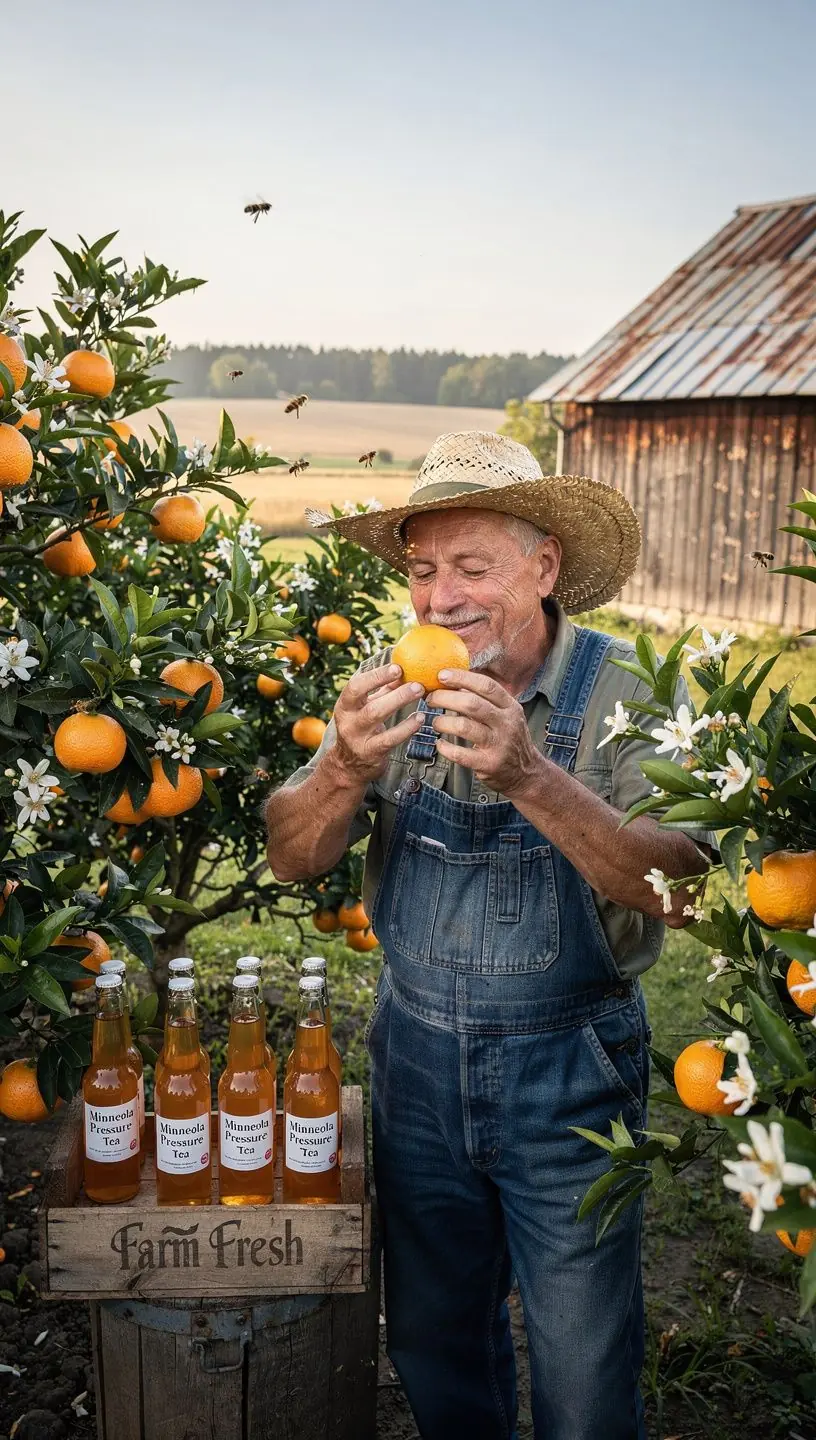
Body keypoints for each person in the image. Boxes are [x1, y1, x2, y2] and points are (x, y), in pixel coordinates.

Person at [265, 431, 712, 1440]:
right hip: (415, 1067)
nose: (441, 599)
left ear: (545, 565)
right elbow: (290, 856)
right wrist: (338, 768)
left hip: (573, 1074)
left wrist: (528, 776)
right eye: (423, 572)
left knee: (584, 1369)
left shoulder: (626, 695)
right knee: (434, 1344)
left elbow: (684, 888)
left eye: (473, 568)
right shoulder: (388, 692)